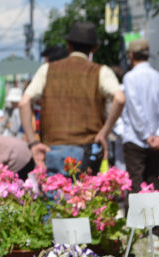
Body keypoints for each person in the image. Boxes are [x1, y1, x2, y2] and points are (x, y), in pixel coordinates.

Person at [20, 21, 126, 175]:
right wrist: (104, 131)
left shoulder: (47, 70)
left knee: (57, 196)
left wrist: (33, 142)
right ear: (94, 48)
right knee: (86, 197)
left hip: (53, 146)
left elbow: (24, 103)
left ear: (68, 45)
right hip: (88, 148)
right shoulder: (101, 71)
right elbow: (120, 99)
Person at [121, 39, 159, 192]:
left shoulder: (130, 77)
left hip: (135, 138)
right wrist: (156, 134)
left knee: (136, 187)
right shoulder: (157, 75)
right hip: (156, 140)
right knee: (155, 185)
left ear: (131, 56)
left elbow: (135, 109)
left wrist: (145, 135)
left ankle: (137, 217)